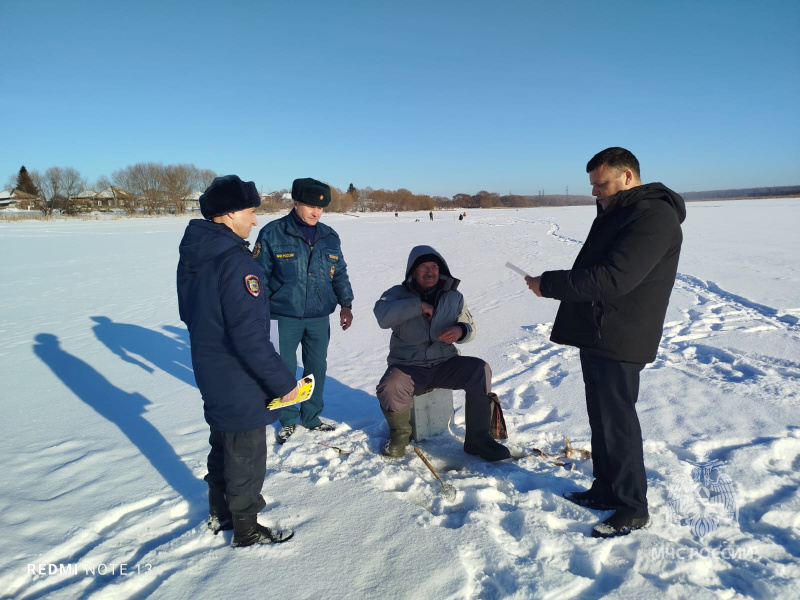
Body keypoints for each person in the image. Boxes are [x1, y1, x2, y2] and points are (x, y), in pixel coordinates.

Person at [525, 147, 686, 538]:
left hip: (623, 334)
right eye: (593, 186)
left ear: (628, 176)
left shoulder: (653, 217)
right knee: (600, 418)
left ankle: (632, 506)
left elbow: (614, 279)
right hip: (598, 329)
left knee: (619, 423)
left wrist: (549, 284)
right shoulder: (620, 212)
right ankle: (605, 489)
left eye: (601, 184)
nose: (595, 192)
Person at [177, 175, 300, 547]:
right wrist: (285, 383)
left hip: (210, 367)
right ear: (229, 214)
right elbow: (249, 339)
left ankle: (220, 513)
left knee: (223, 443)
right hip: (237, 375)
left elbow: (189, 314)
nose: (255, 219)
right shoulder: (236, 263)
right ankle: (246, 529)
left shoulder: (196, 254)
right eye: (250, 211)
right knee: (245, 453)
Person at [374, 245, 511, 461]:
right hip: (409, 367)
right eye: (423, 268)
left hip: (445, 363)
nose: (430, 272)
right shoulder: (395, 295)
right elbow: (382, 316)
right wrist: (417, 306)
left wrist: (459, 330)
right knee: (390, 388)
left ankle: (478, 439)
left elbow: (470, 327)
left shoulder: (453, 296)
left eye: (434, 266)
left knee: (479, 370)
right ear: (412, 271)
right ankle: (400, 436)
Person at [254, 178, 354, 444]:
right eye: (310, 205)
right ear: (295, 202)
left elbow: (339, 273)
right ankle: (287, 418)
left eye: (321, 208)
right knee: (283, 369)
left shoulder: (329, 237)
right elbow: (258, 277)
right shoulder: (272, 233)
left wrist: (346, 304)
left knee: (316, 368)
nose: (316, 212)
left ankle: (311, 417)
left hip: (319, 316)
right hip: (283, 315)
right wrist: (257, 313)